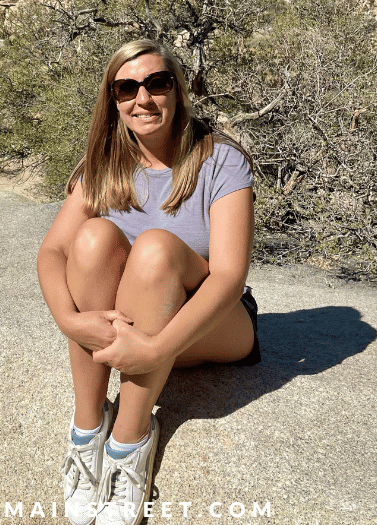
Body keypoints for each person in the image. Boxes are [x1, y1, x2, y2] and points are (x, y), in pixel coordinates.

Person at [37, 39, 260, 525]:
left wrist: (157, 351)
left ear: (177, 91)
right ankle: (87, 430)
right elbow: (54, 251)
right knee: (92, 240)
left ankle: (129, 442)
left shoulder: (219, 159)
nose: (143, 98)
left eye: (156, 83)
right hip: (137, 315)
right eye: (127, 88)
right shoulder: (103, 163)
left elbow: (228, 276)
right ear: (113, 100)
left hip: (214, 323)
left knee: (155, 249)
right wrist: (70, 320)